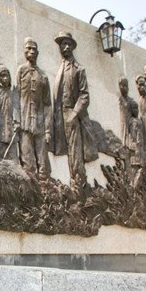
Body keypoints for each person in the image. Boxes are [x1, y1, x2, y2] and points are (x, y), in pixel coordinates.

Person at [49, 31, 98, 191]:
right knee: (68, 151)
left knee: (75, 152)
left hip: (73, 114)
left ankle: (79, 185)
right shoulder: (60, 68)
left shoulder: (79, 69)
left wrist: (74, 113)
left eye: (69, 44)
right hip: (60, 115)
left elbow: (85, 95)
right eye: (63, 44)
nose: (66, 47)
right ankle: (74, 184)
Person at [17, 37, 51, 177]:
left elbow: (48, 104)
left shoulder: (43, 76)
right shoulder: (21, 71)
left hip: (40, 124)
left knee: (43, 164)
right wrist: (16, 120)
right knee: (27, 163)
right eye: (28, 48)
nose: (31, 51)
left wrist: (47, 130)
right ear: (24, 51)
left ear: (38, 52)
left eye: (34, 49)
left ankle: (45, 186)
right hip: (25, 123)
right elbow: (16, 96)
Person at [119, 77, 146, 187]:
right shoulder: (131, 121)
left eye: (137, 108)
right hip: (134, 149)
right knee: (134, 171)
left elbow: (141, 136)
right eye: (134, 108)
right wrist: (133, 146)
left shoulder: (139, 121)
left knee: (140, 171)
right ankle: (133, 188)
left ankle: (136, 188)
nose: (136, 110)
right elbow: (132, 136)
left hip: (140, 149)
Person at [0, 65, 21, 163]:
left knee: (13, 156)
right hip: (0, 129)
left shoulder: (12, 92)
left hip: (11, 128)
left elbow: (16, 108)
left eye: (6, 76)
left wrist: (17, 122)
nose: (5, 79)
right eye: (2, 76)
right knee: (1, 156)